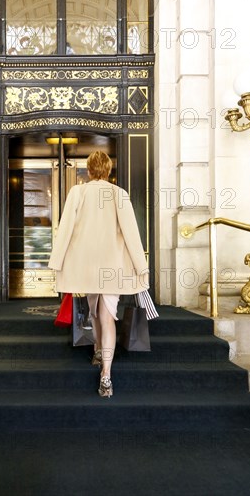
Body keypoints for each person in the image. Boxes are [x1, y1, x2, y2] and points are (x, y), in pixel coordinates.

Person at [48, 151, 148, 398]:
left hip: (86, 265)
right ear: (109, 170)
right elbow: (131, 234)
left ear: (88, 170)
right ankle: (106, 373)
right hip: (112, 266)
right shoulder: (119, 194)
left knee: (95, 310)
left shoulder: (77, 193)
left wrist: (57, 262)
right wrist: (141, 266)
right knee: (106, 315)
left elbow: (65, 229)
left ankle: (98, 354)